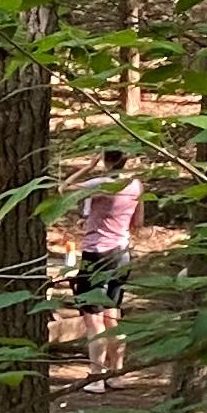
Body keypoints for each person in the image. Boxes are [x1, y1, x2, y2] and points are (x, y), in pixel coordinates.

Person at [62, 146, 143, 386]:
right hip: (122, 254)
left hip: (96, 254)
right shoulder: (136, 185)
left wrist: (87, 167)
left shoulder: (99, 184)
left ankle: (96, 377)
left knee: (93, 318)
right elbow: (137, 221)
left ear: (104, 160)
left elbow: (63, 189)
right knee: (113, 314)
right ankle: (116, 374)